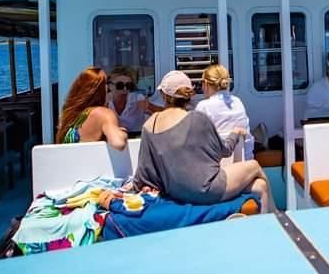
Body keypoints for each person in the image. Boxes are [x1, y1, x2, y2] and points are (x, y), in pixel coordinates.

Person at [133, 71, 273, 213]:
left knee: (259, 186)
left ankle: (269, 218)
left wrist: (135, 188)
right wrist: (235, 134)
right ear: (189, 95)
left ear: (163, 95)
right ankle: (277, 215)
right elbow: (224, 151)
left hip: (176, 192)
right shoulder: (198, 119)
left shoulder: (150, 124)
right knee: (254, 166)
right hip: (208, 190)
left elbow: (144, 169)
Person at [56, 67, 127, 150]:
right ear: (103, 91)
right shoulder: (103, 114)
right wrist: (122, 133)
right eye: (108, 88)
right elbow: (118, 143)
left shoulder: (69, 116)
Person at [195, 64, 253, 159]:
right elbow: (248, 141)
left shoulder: (203, 106)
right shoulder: (238, 102)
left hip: (214, 164)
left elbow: (197, 142)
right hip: (243, 162)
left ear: (205, 83)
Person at [106, 65, 150, 133]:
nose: (125, 89)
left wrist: (148, 108)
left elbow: (162, 112)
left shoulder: (138, 99)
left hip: (137, 138)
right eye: (120, 85)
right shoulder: (104, 101)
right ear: (110, 86)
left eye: (129, 86)